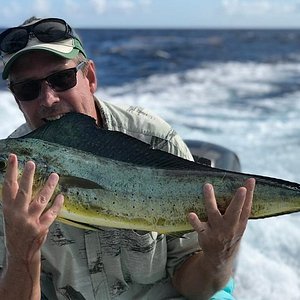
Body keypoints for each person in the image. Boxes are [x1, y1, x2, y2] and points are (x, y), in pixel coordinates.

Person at [0, 17, 255, 300]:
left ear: (90, 78)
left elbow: (197, 286)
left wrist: (218, 255)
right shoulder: (9, 171)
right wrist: (22, 251)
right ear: (16, 99)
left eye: (62, 79)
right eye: (27, 89)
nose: (47, 99)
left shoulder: (154, 138)